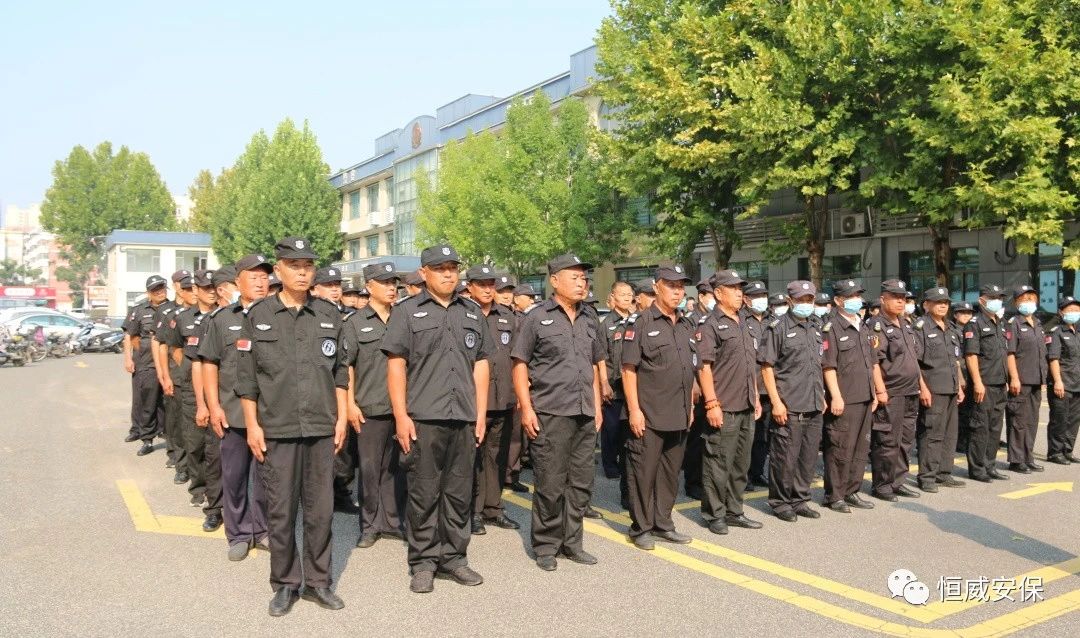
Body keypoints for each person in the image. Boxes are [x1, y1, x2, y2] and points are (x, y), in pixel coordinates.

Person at [237, 236, 350, 617]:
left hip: (321, 427)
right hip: (277, 428)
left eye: (308, 266)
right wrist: (252, 426)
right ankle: (285, 583)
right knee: (281, 511)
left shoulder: (329, 314)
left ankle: (318, 582)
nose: (303, 272)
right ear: (279, 269)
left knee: (320, 511)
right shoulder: (258, 316)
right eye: (294, 265)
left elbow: (340, 373)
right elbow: (247, 379)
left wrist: (342, 418)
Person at [381, 244, 491, 594]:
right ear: (424, 273)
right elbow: (396, 365)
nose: (447, 274)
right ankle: (424, 561)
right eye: (440, 268)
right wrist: (400, 415)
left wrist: (480, 414)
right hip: (423, 417)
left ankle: (454, 558)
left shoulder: (472, 312)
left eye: (452, 268)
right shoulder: (407, 312)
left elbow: (481, 364)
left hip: (463, 416)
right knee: (424, 492)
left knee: (459, 492)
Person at [512, 253, 604, 571]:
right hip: (550, 411)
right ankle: (546, 545)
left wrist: (596, 407)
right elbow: (520, 364)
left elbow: (593, 365)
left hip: (584, 412)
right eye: (574, 277)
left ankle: (572, 543)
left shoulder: (590, 317)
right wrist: (526, 408)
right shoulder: (537, 318)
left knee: (580, 483)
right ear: (554, 280)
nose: (582, 283)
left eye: (584, 278)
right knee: (550, 483)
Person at [199, 256, 272, 561]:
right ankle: (239, 533)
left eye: (264, 277)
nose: (260, 282)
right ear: (237, 282)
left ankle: (264, 529)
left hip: (270, 412)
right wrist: (213, 406)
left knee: (268, 478)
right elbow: (209, 364)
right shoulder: (221, 320)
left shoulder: (279, 315)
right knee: (234, 476)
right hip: (232, 411)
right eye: (253, 277)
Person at [620, 265, 697, 549]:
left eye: (681, 286)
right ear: (656, 287)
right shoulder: (640, 323)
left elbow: (689, 369)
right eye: (671, 285)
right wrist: (634, 410)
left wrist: (690, 406)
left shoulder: (686, 325)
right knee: (643, 473)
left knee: (669, 473)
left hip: (678, 412)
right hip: (649, 413)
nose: (678, 291)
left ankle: (663, 523)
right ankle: (640, 527)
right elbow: (628, 369)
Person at [342, 262, 406, 549]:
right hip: (369, 406)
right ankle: (369, 524)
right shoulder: (355, 323)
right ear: (369, 286)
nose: (392, 288)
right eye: (385, 283)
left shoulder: (404, 318)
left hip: (401, 407)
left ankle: (392, 521)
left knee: (396, 468)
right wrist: (350, 404)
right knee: (369, 469)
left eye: (394, 283)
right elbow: (346, 366)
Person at [696, 269, 764, 535]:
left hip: (746, 403)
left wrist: (755, 396)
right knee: (718, 463)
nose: (739, 293)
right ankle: (715, 514)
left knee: (740, 463)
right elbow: (704, 367)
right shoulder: (710, 324)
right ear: (718, 293)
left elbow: (750, 365)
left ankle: (735, 511)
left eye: (740, 288)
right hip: (724, 405)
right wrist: (711, 403)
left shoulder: (745, 320)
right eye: (733, 288)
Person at [758, 281, 825, 522]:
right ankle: (780, 502)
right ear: (789, 301)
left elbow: (818, 365)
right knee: (784, 458)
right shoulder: (777, 328)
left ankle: (800, 499)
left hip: (814, 402)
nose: (806, 303)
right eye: (801, 299)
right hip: (789, 404)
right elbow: (767, 367)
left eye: (809, 299)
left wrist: (822, 396)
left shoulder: (816, 326)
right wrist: (776, 402)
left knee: (808, 457)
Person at [464, 264, 521, 535]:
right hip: (474, 401)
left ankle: (493, 508)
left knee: (498, 456)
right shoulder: (464, 314)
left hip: (504, 398)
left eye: (491, 284)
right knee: (474, 457)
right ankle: (473, 511)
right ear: (470, 287)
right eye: (482, 284)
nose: (488, 289)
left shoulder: (508, 316)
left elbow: (519, 357)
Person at [820, 279, 882, 512]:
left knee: (860, 448)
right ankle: (835, 495)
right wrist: (835, 396)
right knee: (840, 448)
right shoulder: (831, 327)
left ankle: (851, 490)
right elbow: (828, 366)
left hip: (864, 395)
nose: (857, 300)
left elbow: (871, 362)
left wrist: (875, 391)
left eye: (858, 295)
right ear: (838, 300)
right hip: (845, 397)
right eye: (851, 296)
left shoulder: (862, 325)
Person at [866, 280, 922, 502]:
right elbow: (874, 362)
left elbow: (913, 359)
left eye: (903, 298)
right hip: (892, 391)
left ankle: (898, 481)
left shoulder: (905, 323)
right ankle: (882, 485)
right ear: (883, 299)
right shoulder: (876, 325)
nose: (900, 301)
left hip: (910, 390)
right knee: (887, 441)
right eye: (895, 297)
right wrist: (880, 390)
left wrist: (921, 386)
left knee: (905, 440)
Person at [312, 266, 361, 514]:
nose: (335, 289)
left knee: (342, 447)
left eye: (337, 285)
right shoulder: (310, 315)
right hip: (316, 390)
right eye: (328, 285)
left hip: (339, 389)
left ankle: (341, 493)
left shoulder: (348, 317)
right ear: (315, 289)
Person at [912, 287, 966, 493]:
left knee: (949, 434)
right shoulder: (921, 327)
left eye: (946, 302)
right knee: (932, 434)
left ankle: (943, 473)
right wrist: (922, 388)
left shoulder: (950, 327)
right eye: (938, 302)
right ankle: (927, 476)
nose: (943, 305)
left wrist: (959, 385)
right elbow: (915, 363)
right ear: (926, 305)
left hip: (950, 387)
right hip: (933, 388)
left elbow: (955, 360)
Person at [963, 284, 1010, 482]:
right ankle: (977, 468)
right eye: (993, 298)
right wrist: (977, 382)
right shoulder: (974, 323)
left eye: (999, 298)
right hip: (984, 383)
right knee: (980, 427)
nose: (997, 301)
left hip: (1000, 383)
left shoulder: (1000, 323)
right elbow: (971, 355)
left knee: (995, 427)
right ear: (982, 300)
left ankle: (990, 465)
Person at [123, 275, 171, 456]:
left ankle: (165, 432)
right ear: (148, 292)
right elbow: (130, 335)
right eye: (155, 289)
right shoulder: (139, 310)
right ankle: (146, 438)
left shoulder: (174, 309)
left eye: (162, 288)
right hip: (146, 363)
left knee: (167, 402)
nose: (159, 292)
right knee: (146, 401)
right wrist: (129, 358)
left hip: (168, 364)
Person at [1005, 284, 1047, 474]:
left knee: (1031, 421)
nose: (1029, 302)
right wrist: (1014, 377)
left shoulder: (1038, 323)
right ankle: (1016, 460)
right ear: (1016, 302)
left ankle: (1028, 457)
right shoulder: (1013, 323)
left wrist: (1043, 378)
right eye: (1024, 299)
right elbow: (1010, 353)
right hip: (1021, 379)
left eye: (1031, 298)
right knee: (1018, 421)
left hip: (1036, 379)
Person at [599, 281, 634, 499]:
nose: (627, 297)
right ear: (613, 297)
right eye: (622, 294)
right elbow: (601, 356)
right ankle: (610, 464)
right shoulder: (606, 324)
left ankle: (625, 463)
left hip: (631, 386)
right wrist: (603, 382)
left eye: (630, 294)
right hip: (613, 385)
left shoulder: (637, 321)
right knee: (611, 429)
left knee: (626, 429)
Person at [157, 270, 193, 474]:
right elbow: (164, 346)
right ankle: (181, 464)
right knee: (178, 422)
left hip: (202, 379)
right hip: (179, 376)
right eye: (186, 288)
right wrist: (165, 376)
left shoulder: (210, 316)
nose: (192, 292)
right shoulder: (172, 316)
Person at [741, 280, 772, 489]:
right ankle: (742, 476)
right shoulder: (741, 320)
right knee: (747, 436)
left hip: (768, 387)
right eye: (756, 296)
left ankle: (757, 472)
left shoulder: (773, 320)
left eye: (763, 295)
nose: (761, 299)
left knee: (763, 435)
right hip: (748, 386)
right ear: (746, 299)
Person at [1047, 296, 1080, 464]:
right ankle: (1055, 452)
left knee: (1073, 420)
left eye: (1077, 310)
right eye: (1070, 310)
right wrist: (1058, 381)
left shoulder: (1078, 332)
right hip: (1063, 383)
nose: (1074, 313)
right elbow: (1053, 358)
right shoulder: (1056, 332)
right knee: (1059, 419)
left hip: (1077, 383)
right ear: (1061, 312)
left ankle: (1067, 450)